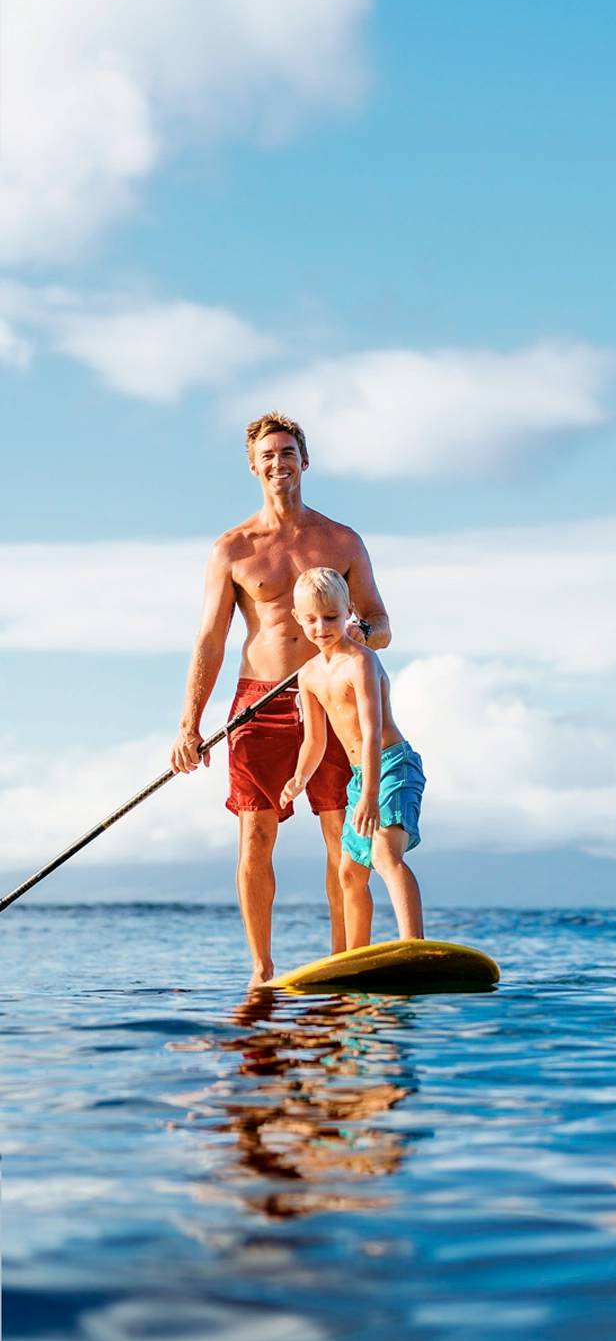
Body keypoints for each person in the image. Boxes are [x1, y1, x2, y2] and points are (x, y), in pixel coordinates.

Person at [170, 412, 390, 988]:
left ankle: (346, 960)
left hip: (330, 694)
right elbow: (210, 640)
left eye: (288, 453)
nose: (278, 464)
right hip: (257, 703)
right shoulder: (233, 549)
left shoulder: (342, 541)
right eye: (267, 456)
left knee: (342, 832)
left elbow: (381, 622)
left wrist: (356, 638)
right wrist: (189, 725)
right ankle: (262, 969)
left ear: (305, 461)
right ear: (252, 467)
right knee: (256, 834)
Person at [282, 568, 425, 953]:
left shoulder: (360, 662)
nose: (321, 626)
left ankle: (413, 946)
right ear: (297, 618)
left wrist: (370, 794)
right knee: (348, 872)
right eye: (311, 619)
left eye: (331, 617)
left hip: (391, 766)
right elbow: (315, 740)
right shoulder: (308, 675)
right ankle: (354, 957)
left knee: (383, 854)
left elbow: (373, 729)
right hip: (362, 776)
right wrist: (298, 778)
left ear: (349, 611)